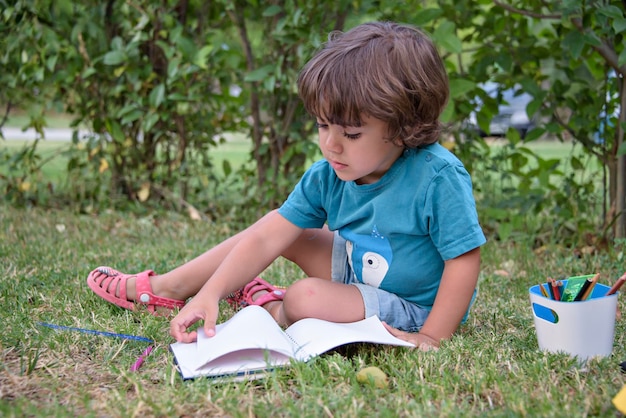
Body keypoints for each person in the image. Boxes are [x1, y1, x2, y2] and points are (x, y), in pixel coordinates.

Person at [87, 21, 486, 351]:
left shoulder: (437, 177)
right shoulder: (329, 172)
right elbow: (266, 239)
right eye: (322, 125)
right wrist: (211, 293)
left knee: (303, 297)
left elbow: (463, 260)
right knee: (279, 229)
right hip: (354, 272)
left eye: (350, 132)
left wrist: (431, 335)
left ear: (404, 127)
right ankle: (174, 288)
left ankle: (273, 307)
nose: (330, 143)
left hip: (412, 304)